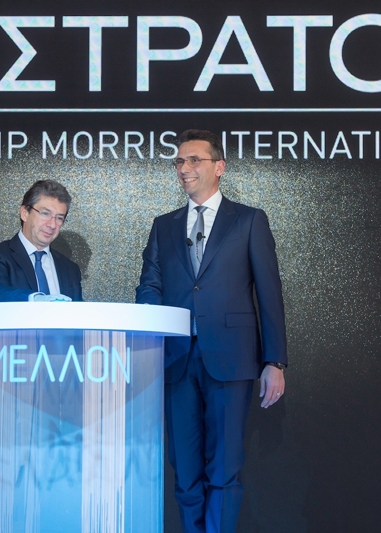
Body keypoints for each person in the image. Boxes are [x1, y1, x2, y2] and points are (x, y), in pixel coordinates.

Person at [136, 129, 288, 533]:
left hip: (231, 359)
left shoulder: (249, 220)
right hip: (176, 360)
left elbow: (269, 293)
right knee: (185, 472)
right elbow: (150, 285)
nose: (184, 168)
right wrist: (150, 326)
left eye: (194, 160)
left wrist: (274, 361)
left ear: (219, 167)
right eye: (179, 161)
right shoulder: (163, 225)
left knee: (223, 470)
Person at [0, 179, 83, 302]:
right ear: (25, 213)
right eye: (45, 213)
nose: (52, 225)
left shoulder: (70, 268)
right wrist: (36, 299)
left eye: (59, 218)